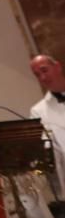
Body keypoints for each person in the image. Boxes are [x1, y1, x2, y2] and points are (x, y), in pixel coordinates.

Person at [30, 54, 65, 194]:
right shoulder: (38, 111)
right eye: (37, 75)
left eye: (44, 70)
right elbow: (46, 149)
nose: (43, 78)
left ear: (57, 67)